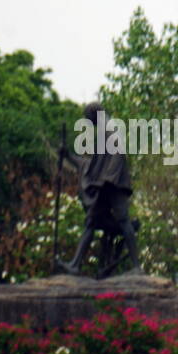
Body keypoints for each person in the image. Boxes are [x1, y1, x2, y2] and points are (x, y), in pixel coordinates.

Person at [56, 102, 141, 277]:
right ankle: (75, 264)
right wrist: (69, 156)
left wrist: (107, 179)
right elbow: (91, 164)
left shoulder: (111, 128)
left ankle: (137, 267)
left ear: (95, 114)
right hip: (105, 184)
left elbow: (118, 155)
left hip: (112, 184)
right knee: (91, 222)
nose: (88, 122)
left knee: (124, 221)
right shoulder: (102, 132)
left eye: (89, 118)